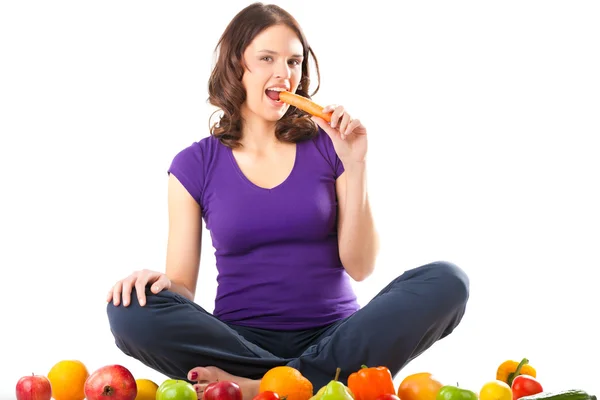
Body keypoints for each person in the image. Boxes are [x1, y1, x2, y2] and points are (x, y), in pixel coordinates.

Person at [106, 2, 470, 399]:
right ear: (235, 67)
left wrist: (356, 163)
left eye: (294, 62)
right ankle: (311, 382)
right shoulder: (193, 164)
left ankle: (263, 386)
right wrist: (153, 285)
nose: (285, 74)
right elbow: (182, 287)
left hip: (337, 337)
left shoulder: (331, 147)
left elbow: (361, 267)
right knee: (127, 311)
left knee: (448, 281)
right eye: (267, 59)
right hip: (237, 342)